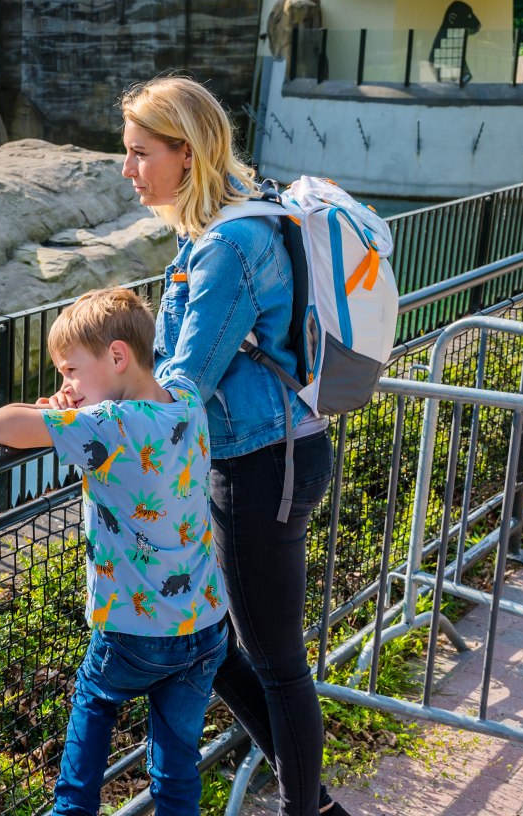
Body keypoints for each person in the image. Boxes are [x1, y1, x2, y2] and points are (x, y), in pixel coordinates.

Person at [114, 76, 348, 816]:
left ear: (185, 153)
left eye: (139, 152)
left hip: (258, 467)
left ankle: (302, 811)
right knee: (214, 639)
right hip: (267, 452)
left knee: (276, 665)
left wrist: (84, 421)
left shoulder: (227, 246)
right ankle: (318, 806)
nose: (129, 170)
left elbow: (184, 381)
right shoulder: (231, 221)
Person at [0, 287, 229, 816]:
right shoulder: (185, 400)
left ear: (117, 356)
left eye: (70, 371)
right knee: (177, 766)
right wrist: (72, 404)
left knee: (93, 709)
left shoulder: (109, 425)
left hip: (134, 634)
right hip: (205, 623)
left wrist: (53, 411)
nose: (65, 385)